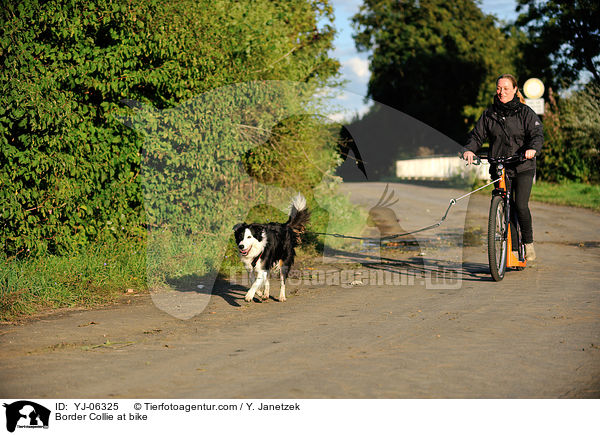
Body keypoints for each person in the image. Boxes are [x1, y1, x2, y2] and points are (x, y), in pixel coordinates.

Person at [463, 74, 543, 261]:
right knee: (505, 205)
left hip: (523, 165)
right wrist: (469, 150)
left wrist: (532, 148)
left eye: (506, 88)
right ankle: (513, 250)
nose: (502, 92)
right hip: (499, 165)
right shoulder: (489, 114)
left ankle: (528, 243)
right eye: (499, 88)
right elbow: (476, 137)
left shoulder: (525, 112)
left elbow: (537, 134)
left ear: (515, 90)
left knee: (520, 205)